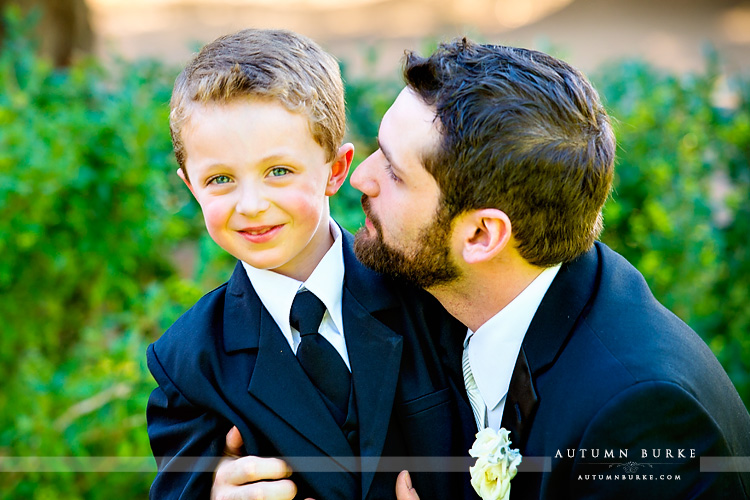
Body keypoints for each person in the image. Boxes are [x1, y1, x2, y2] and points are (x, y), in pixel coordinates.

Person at [213, 38, 750, 499]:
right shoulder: (455, 293)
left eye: (396, 174)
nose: (361, 177)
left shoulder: (639, 418)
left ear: (481, 235)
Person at [146, 28, 471, 500]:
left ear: (335, 170)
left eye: (279, 171)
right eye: (219, 179)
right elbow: (178, 488)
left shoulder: (424, 290)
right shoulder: (188, 363)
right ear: (191, 187)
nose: (251, 204)